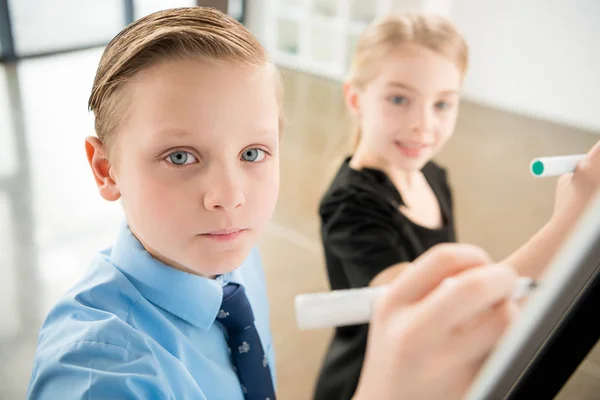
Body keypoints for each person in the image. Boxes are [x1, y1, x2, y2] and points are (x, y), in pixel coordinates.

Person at [25, 7, 584, 400]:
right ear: (105, 168)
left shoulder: (232, 256)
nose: (230, 198)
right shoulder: (100, 375)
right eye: (179, 157)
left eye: (253, 152)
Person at [314, 11, 600, 400]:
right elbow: (446, 316)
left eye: (443, 105)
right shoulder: (350, 206)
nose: (422, 125)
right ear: (355, 98)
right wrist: (569, 219)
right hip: (374, 383)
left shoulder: (432, 174)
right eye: (399, 99)